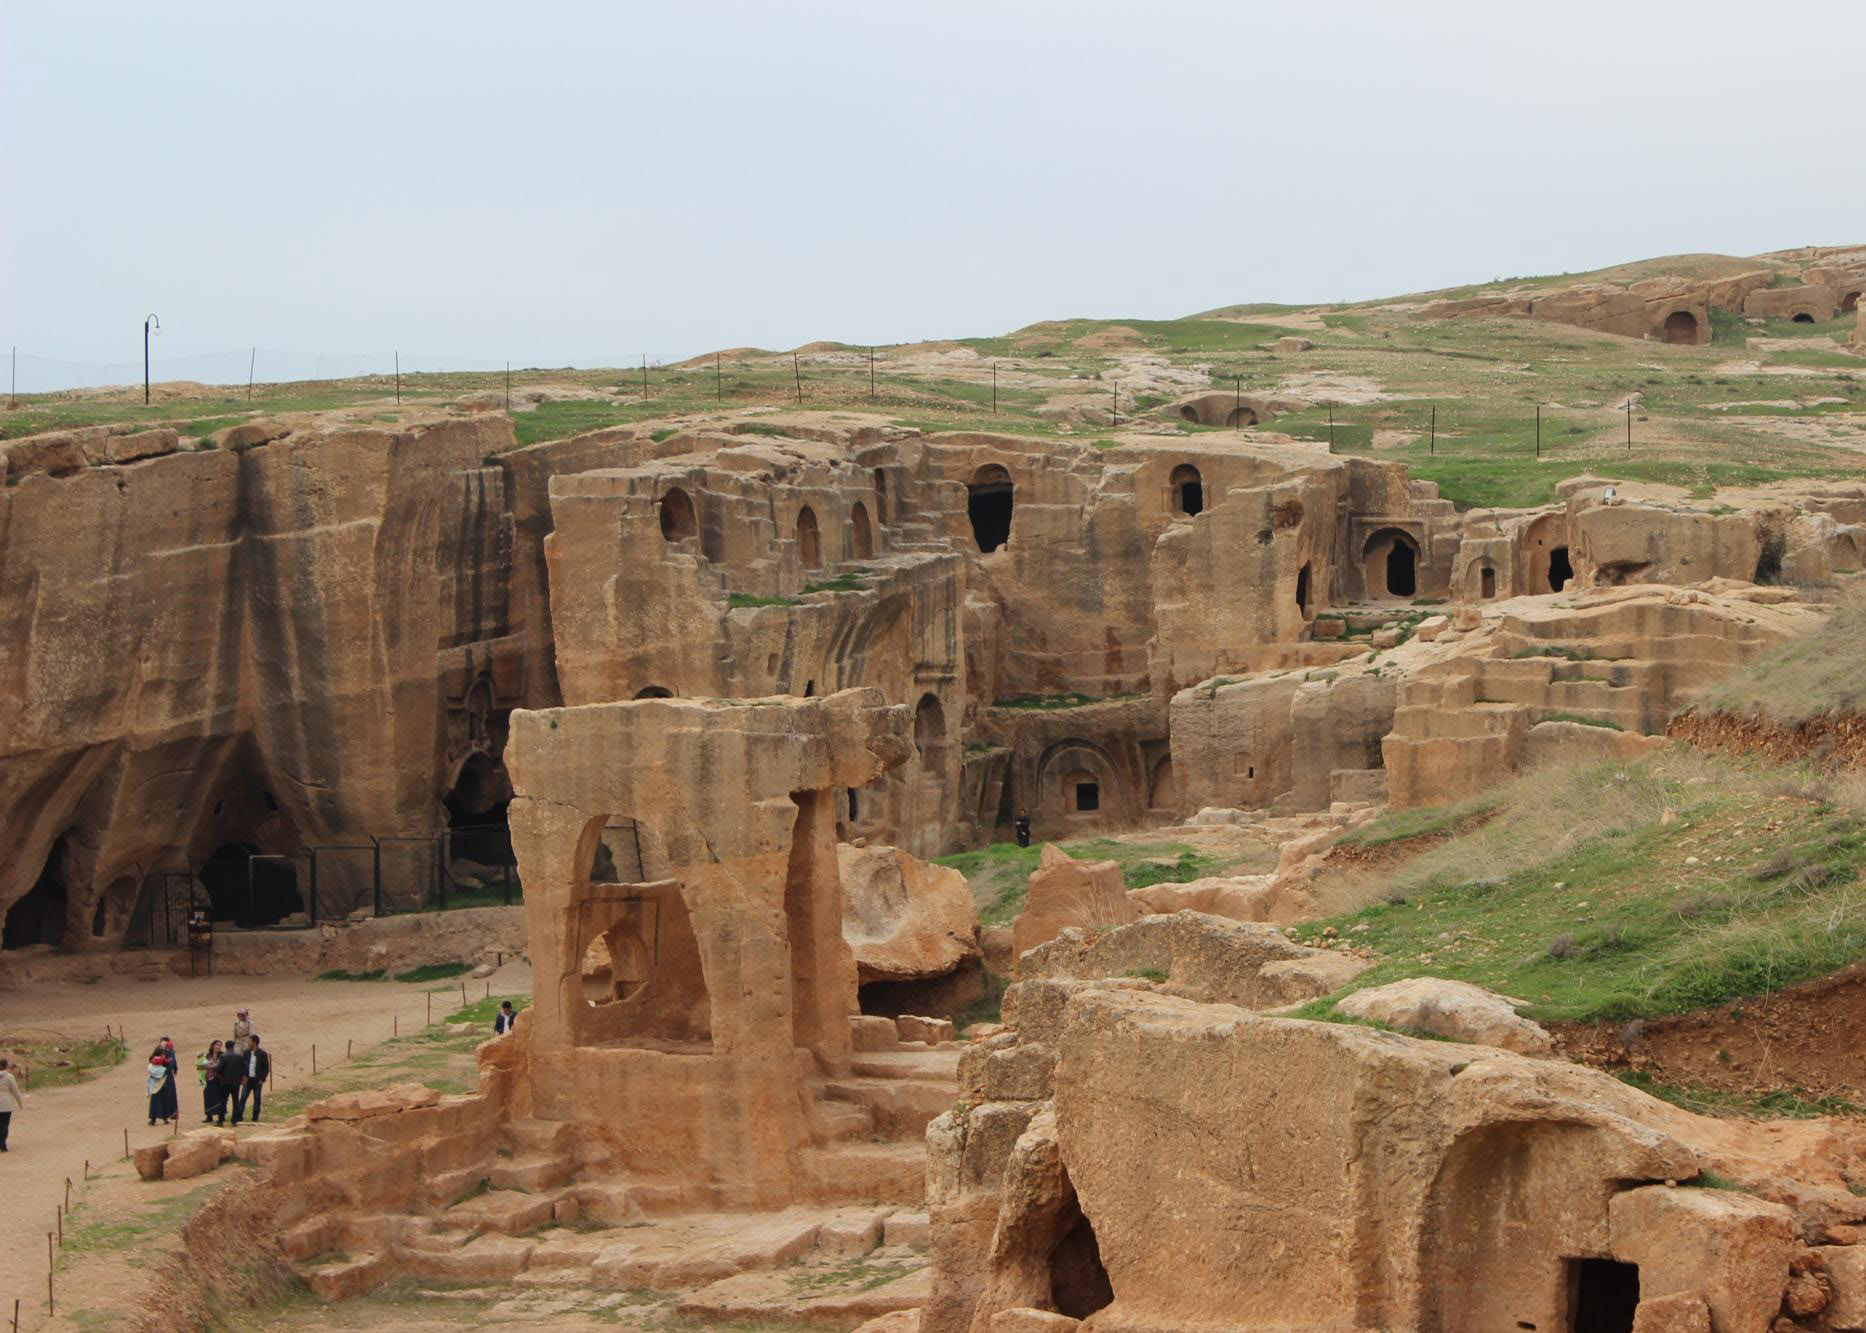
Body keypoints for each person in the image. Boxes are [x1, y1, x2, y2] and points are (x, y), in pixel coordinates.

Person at [233, 1034, 270, 1125]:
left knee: (257, 1099)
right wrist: (243, 1077)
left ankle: (255, 1118)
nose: (248, 1043)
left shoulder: (263, 1054)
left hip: (257, 1080)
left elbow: (266, 1068)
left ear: (254, 1042)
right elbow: (242, 1066)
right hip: (248, 1080)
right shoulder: (246, 1053)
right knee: (243, 1098)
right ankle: (239, 1116)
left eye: (249, 1041)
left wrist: (262, 1079)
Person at [213, 1039, 245, 1126]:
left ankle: (220, 1121)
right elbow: (244, 1068)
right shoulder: (239, 1056)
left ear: (226, 1047)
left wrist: (219, 1076)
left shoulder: (223, 1056)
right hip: (236, 1082)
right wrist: (240, 1078)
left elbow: (218, 1068)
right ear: (233, 1046)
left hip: (225, 1082)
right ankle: (234, 1121)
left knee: (223, 1101)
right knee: (235, 1102)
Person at [146, 1041, 178, 1126]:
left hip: (165, 1079)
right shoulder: (158, 1054)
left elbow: (171, 1064)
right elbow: (151, 1061)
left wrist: (165, 1072)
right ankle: (153, 1118)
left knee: (165, 1098)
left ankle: (165, 1118)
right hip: (158, 1080)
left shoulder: (169, 1054)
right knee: (155, 1098)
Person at [197, 1040, 224, 1123]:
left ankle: (220, 1116)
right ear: (213, 1046)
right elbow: (201, 1066)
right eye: (217, 1045)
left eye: (220, 1045)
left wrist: (208, 1066)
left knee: (219, 1098)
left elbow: (220, 1066)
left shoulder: (222, 1055)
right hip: (208, 1079)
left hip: (219, 1080)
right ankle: (209, 1116)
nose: (219, 1047)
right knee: (208, 1097)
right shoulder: (208, 1055)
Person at [0, 1057, 22, 1151]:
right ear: (6, 1065)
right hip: (6, 1104)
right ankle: (3, 1144)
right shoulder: (9, 1077)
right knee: (4, 1125)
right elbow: (15, 1091)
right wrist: (20, 1102)